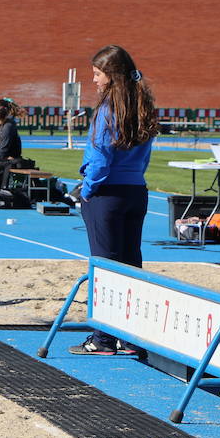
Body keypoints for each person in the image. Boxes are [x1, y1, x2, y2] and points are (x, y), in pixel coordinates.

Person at [68, 46, 159, 356]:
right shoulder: (143, 104)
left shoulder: (108, 108)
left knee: (104, 268)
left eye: (96, 74)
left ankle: (103, 338)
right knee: (131, 264)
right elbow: (144, 155)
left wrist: (87, 189)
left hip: (107, 194)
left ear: (111, 75)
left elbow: (100, 158)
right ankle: (131, 338)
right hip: (136, 191)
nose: (93, 80)